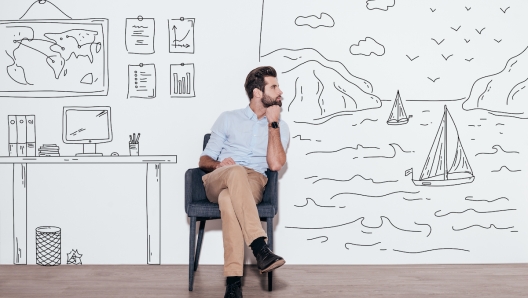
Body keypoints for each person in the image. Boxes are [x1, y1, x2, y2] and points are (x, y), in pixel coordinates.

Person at [199, 66, 289, 297]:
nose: (280, 91)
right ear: (258, 93)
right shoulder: (228, 118)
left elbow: (276, 165)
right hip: (220, 177)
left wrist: (273, 124)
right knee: (235, 172)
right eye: (274, 86)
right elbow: (204, 159)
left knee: (229, 201)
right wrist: (219, 165)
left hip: (253, 181)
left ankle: (233, 283)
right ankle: (260, 247)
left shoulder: (280, 127)